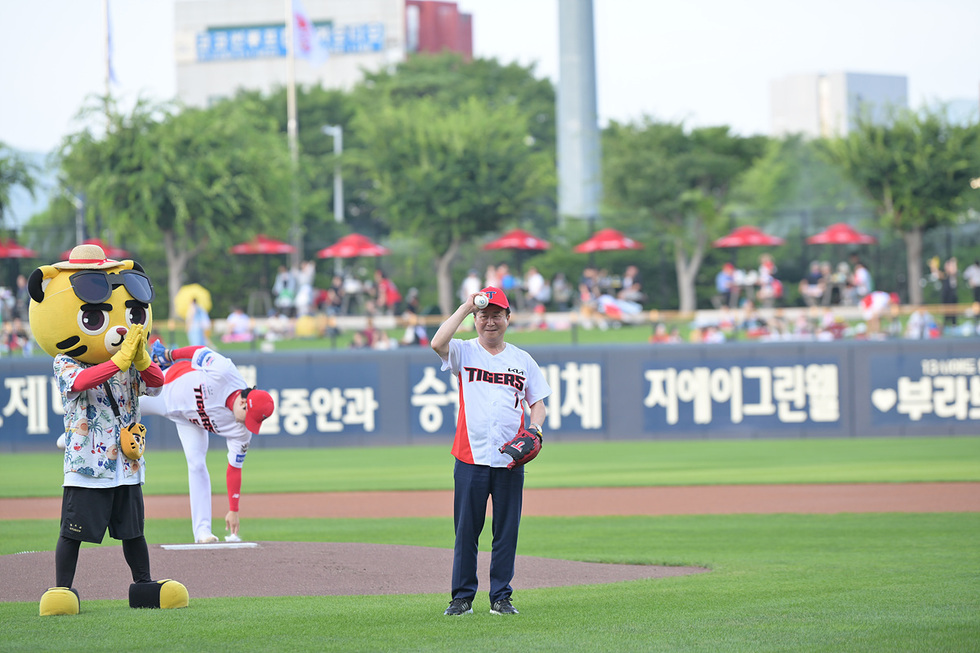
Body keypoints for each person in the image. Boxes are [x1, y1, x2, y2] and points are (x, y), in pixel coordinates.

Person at [31, 243, 187, 614]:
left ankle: (143, 585)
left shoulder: (130, 357)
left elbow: (157, 381)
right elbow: (82, 382)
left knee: (133, 531)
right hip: (87, 462)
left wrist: (141, 355)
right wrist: (119, 358)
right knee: (73, 532)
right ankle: (61, 591)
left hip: (125, 463)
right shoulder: (64, 361)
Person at [430, 286, 552, 617]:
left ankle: (501, 597)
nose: (490, 321)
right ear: (475, 320)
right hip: (469, 456)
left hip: (510, 459)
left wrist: (536, 429)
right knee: (466, 531)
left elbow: (538, 404)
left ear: (508, 319)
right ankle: (462, 597)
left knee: (506, 532)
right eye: (484, 315)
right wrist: (466, 307)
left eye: (497, 315)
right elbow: (437, 343)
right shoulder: (464, 352)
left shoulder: (522, 360)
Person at [142, 344, 275, 544]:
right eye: (250, 418)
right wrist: (169, 354)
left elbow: (234, 469)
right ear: (242, 403)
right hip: (164, 388)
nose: (248, 425)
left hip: (190, 421)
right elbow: (198, 352)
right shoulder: (224, 372)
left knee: (197, 464)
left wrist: (233, 509)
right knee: (120, 408)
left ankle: (202, 532)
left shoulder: (242, 432)